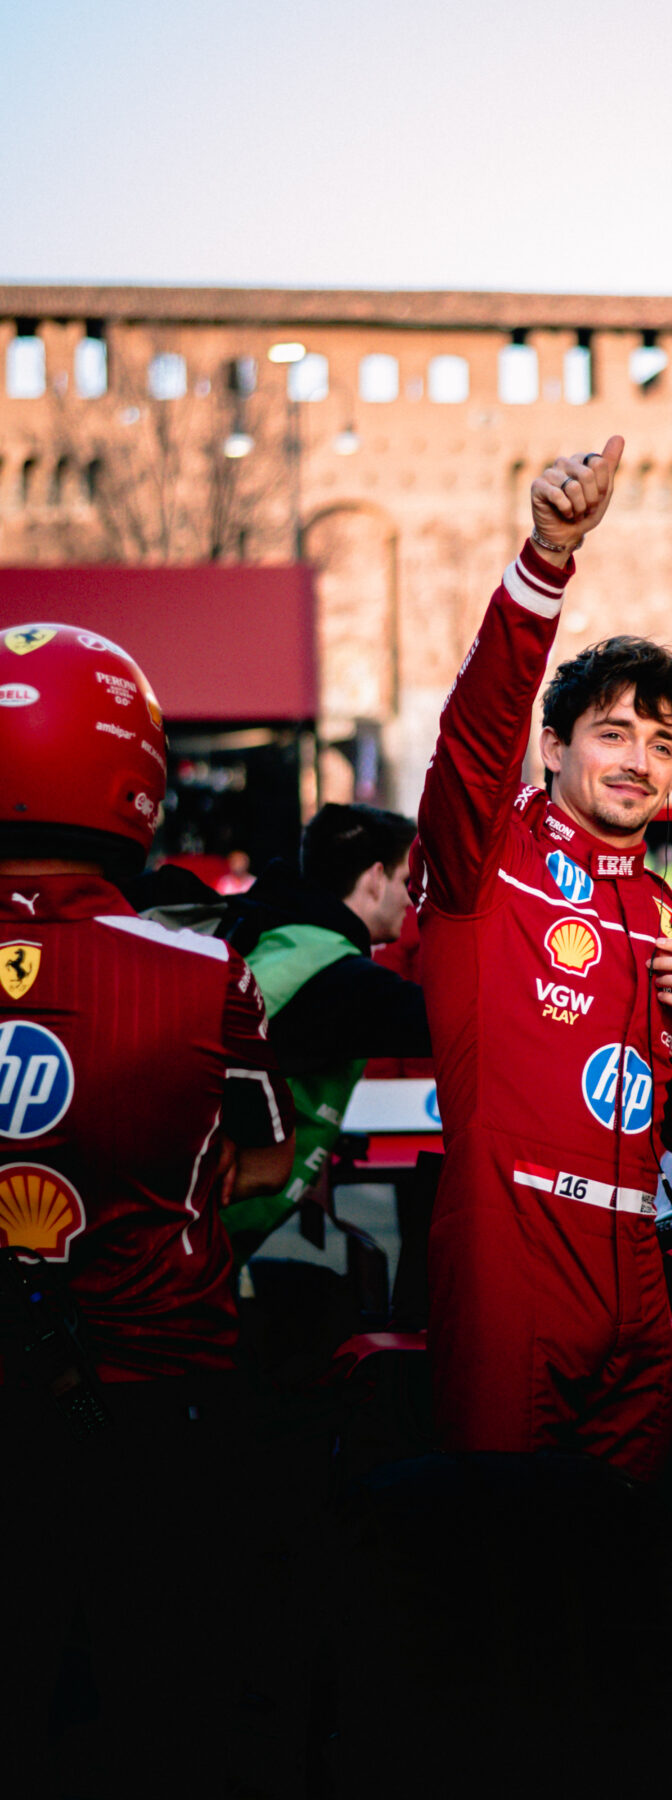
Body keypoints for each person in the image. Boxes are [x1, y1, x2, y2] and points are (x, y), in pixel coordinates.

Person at [412, 434, 672, 1479]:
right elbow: (475, 736)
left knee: (620, 1569)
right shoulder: (493, 854)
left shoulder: (666, 914)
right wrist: (548, 558)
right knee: (507, 1565)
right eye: (613, 734)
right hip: (511, 1247)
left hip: (636, 1272)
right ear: (554, 748)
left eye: (660, 744)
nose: (639, 761)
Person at [0, 622, 295, 1796]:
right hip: (157, 1405)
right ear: (137, 776)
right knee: (160, 1705)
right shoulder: (201, 972)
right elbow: (263, 1166)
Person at [221, 801, 431, 1262]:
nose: (411, 898)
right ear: (375, 877)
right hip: (199, 1236)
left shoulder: (275, 931)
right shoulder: (336, 974)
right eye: (405, 881)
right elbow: (454, 1027)